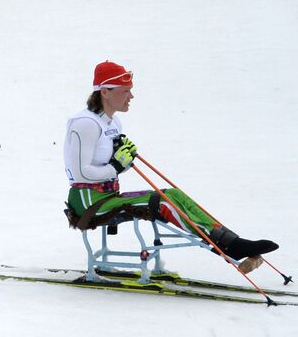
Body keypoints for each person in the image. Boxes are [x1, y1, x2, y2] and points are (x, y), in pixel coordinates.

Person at [63, 62, 277, 273]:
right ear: (105, 93)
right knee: (164, 203)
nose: (131, 97)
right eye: (125, 91)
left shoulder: (114, 123)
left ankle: (233, 241)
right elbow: (81, 173)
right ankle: (228, 247)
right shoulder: (85, 124)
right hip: (88, 204)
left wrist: (123, 162)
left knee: (174, 194)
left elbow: (113, 167)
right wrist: (116, 165)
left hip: (108, 195)